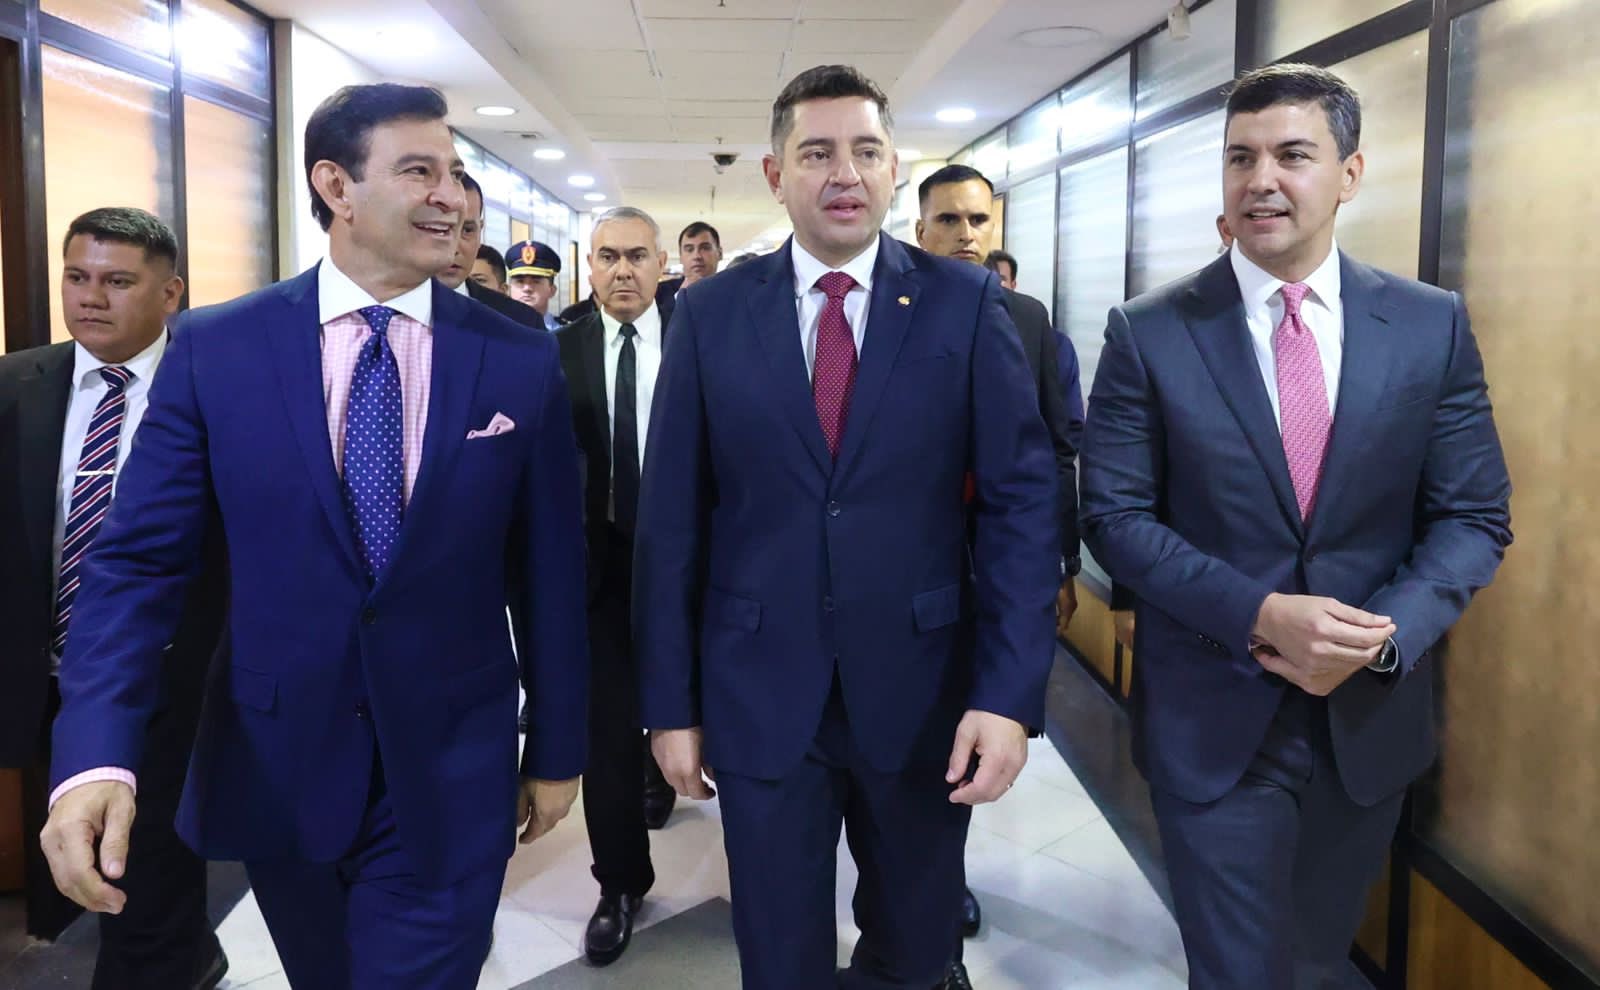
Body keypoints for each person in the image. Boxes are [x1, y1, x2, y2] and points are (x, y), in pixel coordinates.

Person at [39, 83, 591, 989]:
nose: (451, 197)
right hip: (279, 763)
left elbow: (550, 572)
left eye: (453, 173)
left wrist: (560, 745)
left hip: (453, 763)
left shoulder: (516, 355)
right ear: (335, 184)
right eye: (420, 171)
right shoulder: (219, 348)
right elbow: (135, 566)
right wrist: (96, 752)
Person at [1079, 63, 1512, 989]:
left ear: (1349, 173)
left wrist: (1383, 639)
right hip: (1214, 710)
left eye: (1291, 154)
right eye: (1240, 157)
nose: (1260, 179)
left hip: (1367, 716)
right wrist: (1263, 614)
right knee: (1238, 971)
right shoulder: (1149, 332)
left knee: (1314, 962)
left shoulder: (1427, 326)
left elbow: (1473, 516)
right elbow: (1114, 517)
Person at [634, 64, 1058, 990]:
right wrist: (670, 705)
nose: (844, 173)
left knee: (916, 950)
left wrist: (1010, 693)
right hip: (757, 693)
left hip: (925, 694)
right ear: (774, 172)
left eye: (866, 151)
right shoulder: (708, 316)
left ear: (894, 168)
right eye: (817, 152)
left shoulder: (963, 303)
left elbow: (1023, 508)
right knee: (778, 958)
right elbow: (670, 523)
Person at [0, 207, 228, 989]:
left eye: (117, 281)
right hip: (49, 674)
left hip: (171, 675)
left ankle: (164, 962)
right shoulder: (15, 386)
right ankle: (193, 951)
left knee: (145, 864)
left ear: (170, 294)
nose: (90, 298)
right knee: (82, 850)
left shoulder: (215, 390)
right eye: (77, 277)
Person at [913, 162, 1082, 990]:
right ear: (922, 232)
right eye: (949, 221)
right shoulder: (893, 312)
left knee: (984, 721)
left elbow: (1055, 449)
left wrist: (1062, 558)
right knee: (928, 726)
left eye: (979, 220)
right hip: (920, 563)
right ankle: (928, 902)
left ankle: (946, 887)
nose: (967, 235)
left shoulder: (1026, 318)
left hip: (1001, 560)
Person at [552, 205, 677, 966]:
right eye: (608, 257)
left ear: (662, 264)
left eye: (637, 256)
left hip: (692, 570)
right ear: (589, 266)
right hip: (596, 571)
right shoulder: (555, 351)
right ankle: (619, 882)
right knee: (606, 734)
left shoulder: (705, 344)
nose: (622, 270)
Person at [438, 173, 549, 331]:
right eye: (440, 228)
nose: (454, 248)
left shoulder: (522, 322)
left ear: (480, 230)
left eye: (467, 230)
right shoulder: (391, 312)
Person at [505, 239, 566, 330]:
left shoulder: (567, 333)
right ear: (509, 289)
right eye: (520, 281)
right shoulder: (497, 331)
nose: (527, 288)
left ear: (552, 290)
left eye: (536, 281)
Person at [678, 221, 723, 288]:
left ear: (719, 253)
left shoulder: (737, 291)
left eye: (705, 248)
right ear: (680, 257)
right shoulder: (660, 293)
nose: (697, 256)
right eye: (689, 250)